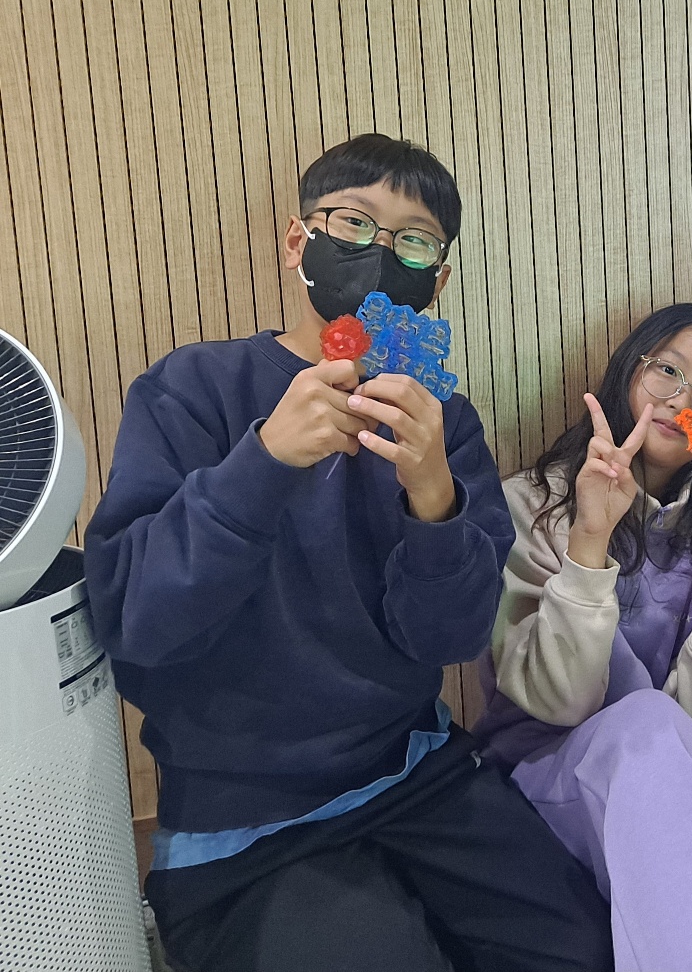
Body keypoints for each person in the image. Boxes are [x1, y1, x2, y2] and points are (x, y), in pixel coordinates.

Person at [84, 133, 613, 972]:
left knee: (581, 948)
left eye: (413, 242)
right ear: (299, 242)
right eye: (355, 224)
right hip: (246, 825)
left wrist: (432, 498)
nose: (379, 252)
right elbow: (136, 623)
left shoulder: (444, 423)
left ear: (436, 281)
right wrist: (264, 460)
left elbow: (451, 639)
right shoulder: (194, 389)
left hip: (414, 773)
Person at [473, 304, 692, 972]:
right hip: (544, 774)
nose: (683, 401)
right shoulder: (526, 507)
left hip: (673, 777)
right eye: (668, 372)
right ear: (630, 372)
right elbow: (559, 702)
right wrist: (589, 540)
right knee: (647, 725)